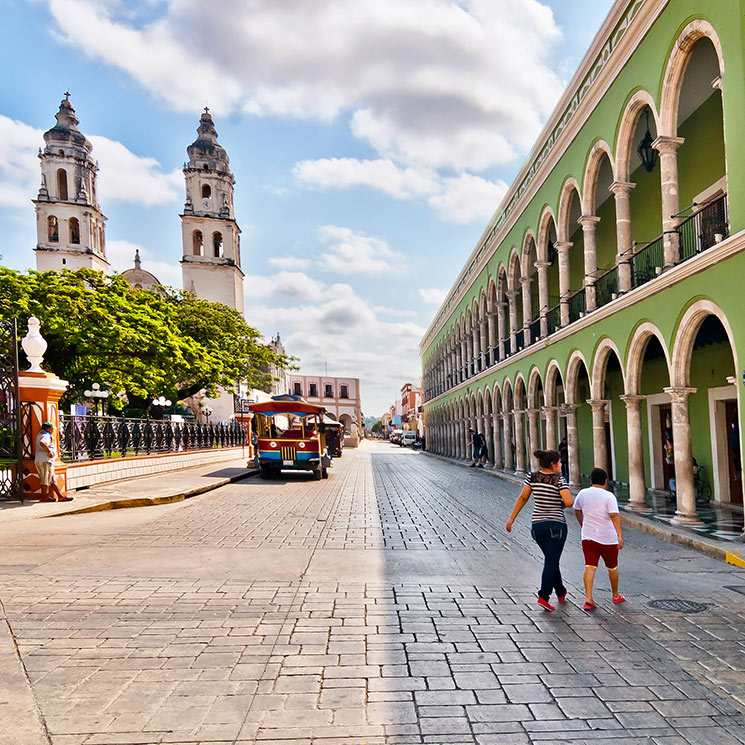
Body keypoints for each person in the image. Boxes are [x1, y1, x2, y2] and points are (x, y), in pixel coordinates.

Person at [505, 449, 573, 611]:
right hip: (556, 526)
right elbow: (569, 502)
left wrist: (511, 519)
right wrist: (560, 505)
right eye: (559, 462)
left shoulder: (532, 477)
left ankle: (561, 591)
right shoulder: (559, 480)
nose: (561, 464)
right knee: (551, 561)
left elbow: (523, 497)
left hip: (537, 527)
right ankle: (544, 596)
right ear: (553, 464)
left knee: (551, 559)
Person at [573, 467, 624, 610]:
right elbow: (614, 515)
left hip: (588, 536)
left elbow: (577, 510)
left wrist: (583, 524)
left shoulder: (583, 493)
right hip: (608, 537)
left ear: (590, 480)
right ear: (606, 482)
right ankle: (615, 595)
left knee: (590, 566)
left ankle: (588, 598)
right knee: (612, 567)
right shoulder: (609, 496)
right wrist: (620, 535)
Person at [34, 421, 71, 503]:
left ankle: (59, 496)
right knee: (46, 479)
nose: (52, 431)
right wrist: (49, 452)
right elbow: (42, 443)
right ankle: (46, 497)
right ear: (48, 429)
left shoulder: (40, 434)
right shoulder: (45, 435)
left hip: (42, 460)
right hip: (45, 460)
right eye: (51, 429)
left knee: (50, 479)